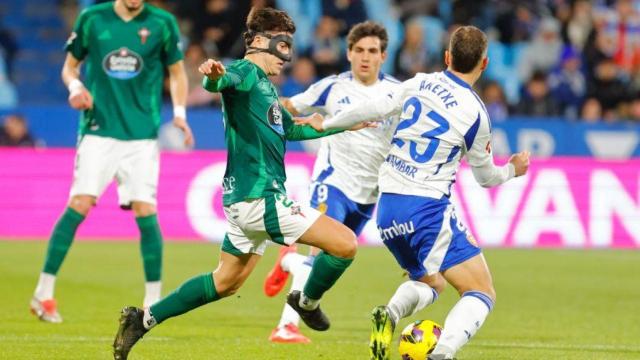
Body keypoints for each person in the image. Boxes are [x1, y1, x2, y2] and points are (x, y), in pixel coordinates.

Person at [112, 7, 361, 359]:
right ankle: (306, 302)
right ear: (260, 41)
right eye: (282, 45)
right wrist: (213, 76)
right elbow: (220, 81)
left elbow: (290, 129)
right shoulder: (245, 72)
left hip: (242, 201)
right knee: (346, 244)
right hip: (261, 199)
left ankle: (143, 319)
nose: (286, 56)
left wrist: (340, 124)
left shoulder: (266, 88)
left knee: (225, 282)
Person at [297, 25, 530, 360]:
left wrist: (327, 123)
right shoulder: (476, 114)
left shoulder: (420, 82)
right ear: (485, 63)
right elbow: (486, 178)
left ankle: (390, 314)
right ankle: (443, 353)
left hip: (388, 208)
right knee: (480, 290)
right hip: (427, 210)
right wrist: (513, 170)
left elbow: (373, 108)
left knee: (431, 282)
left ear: (448, 57)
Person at [29, 0, 193, 323]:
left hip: (142, 136)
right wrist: (75, 87)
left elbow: (177, 73)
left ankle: (153, 303)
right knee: (80, 203)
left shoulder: (162, 23)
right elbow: (69, 67)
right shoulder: (92, 18)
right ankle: (43, 293)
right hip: (98, 131)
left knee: (146, 210)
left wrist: (179, 113)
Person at [263, 20, 401, 343]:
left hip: (369, 194)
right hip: (332, 183)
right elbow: (289, 106)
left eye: (373, 51)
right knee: (319, 254)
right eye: (359, 51)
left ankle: (290, 261)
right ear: (349, 53)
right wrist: (262, 109)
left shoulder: (397, 93)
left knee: (336, 259)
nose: (366, 57)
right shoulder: (333, 87)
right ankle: (286, 326)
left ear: (383, 55)